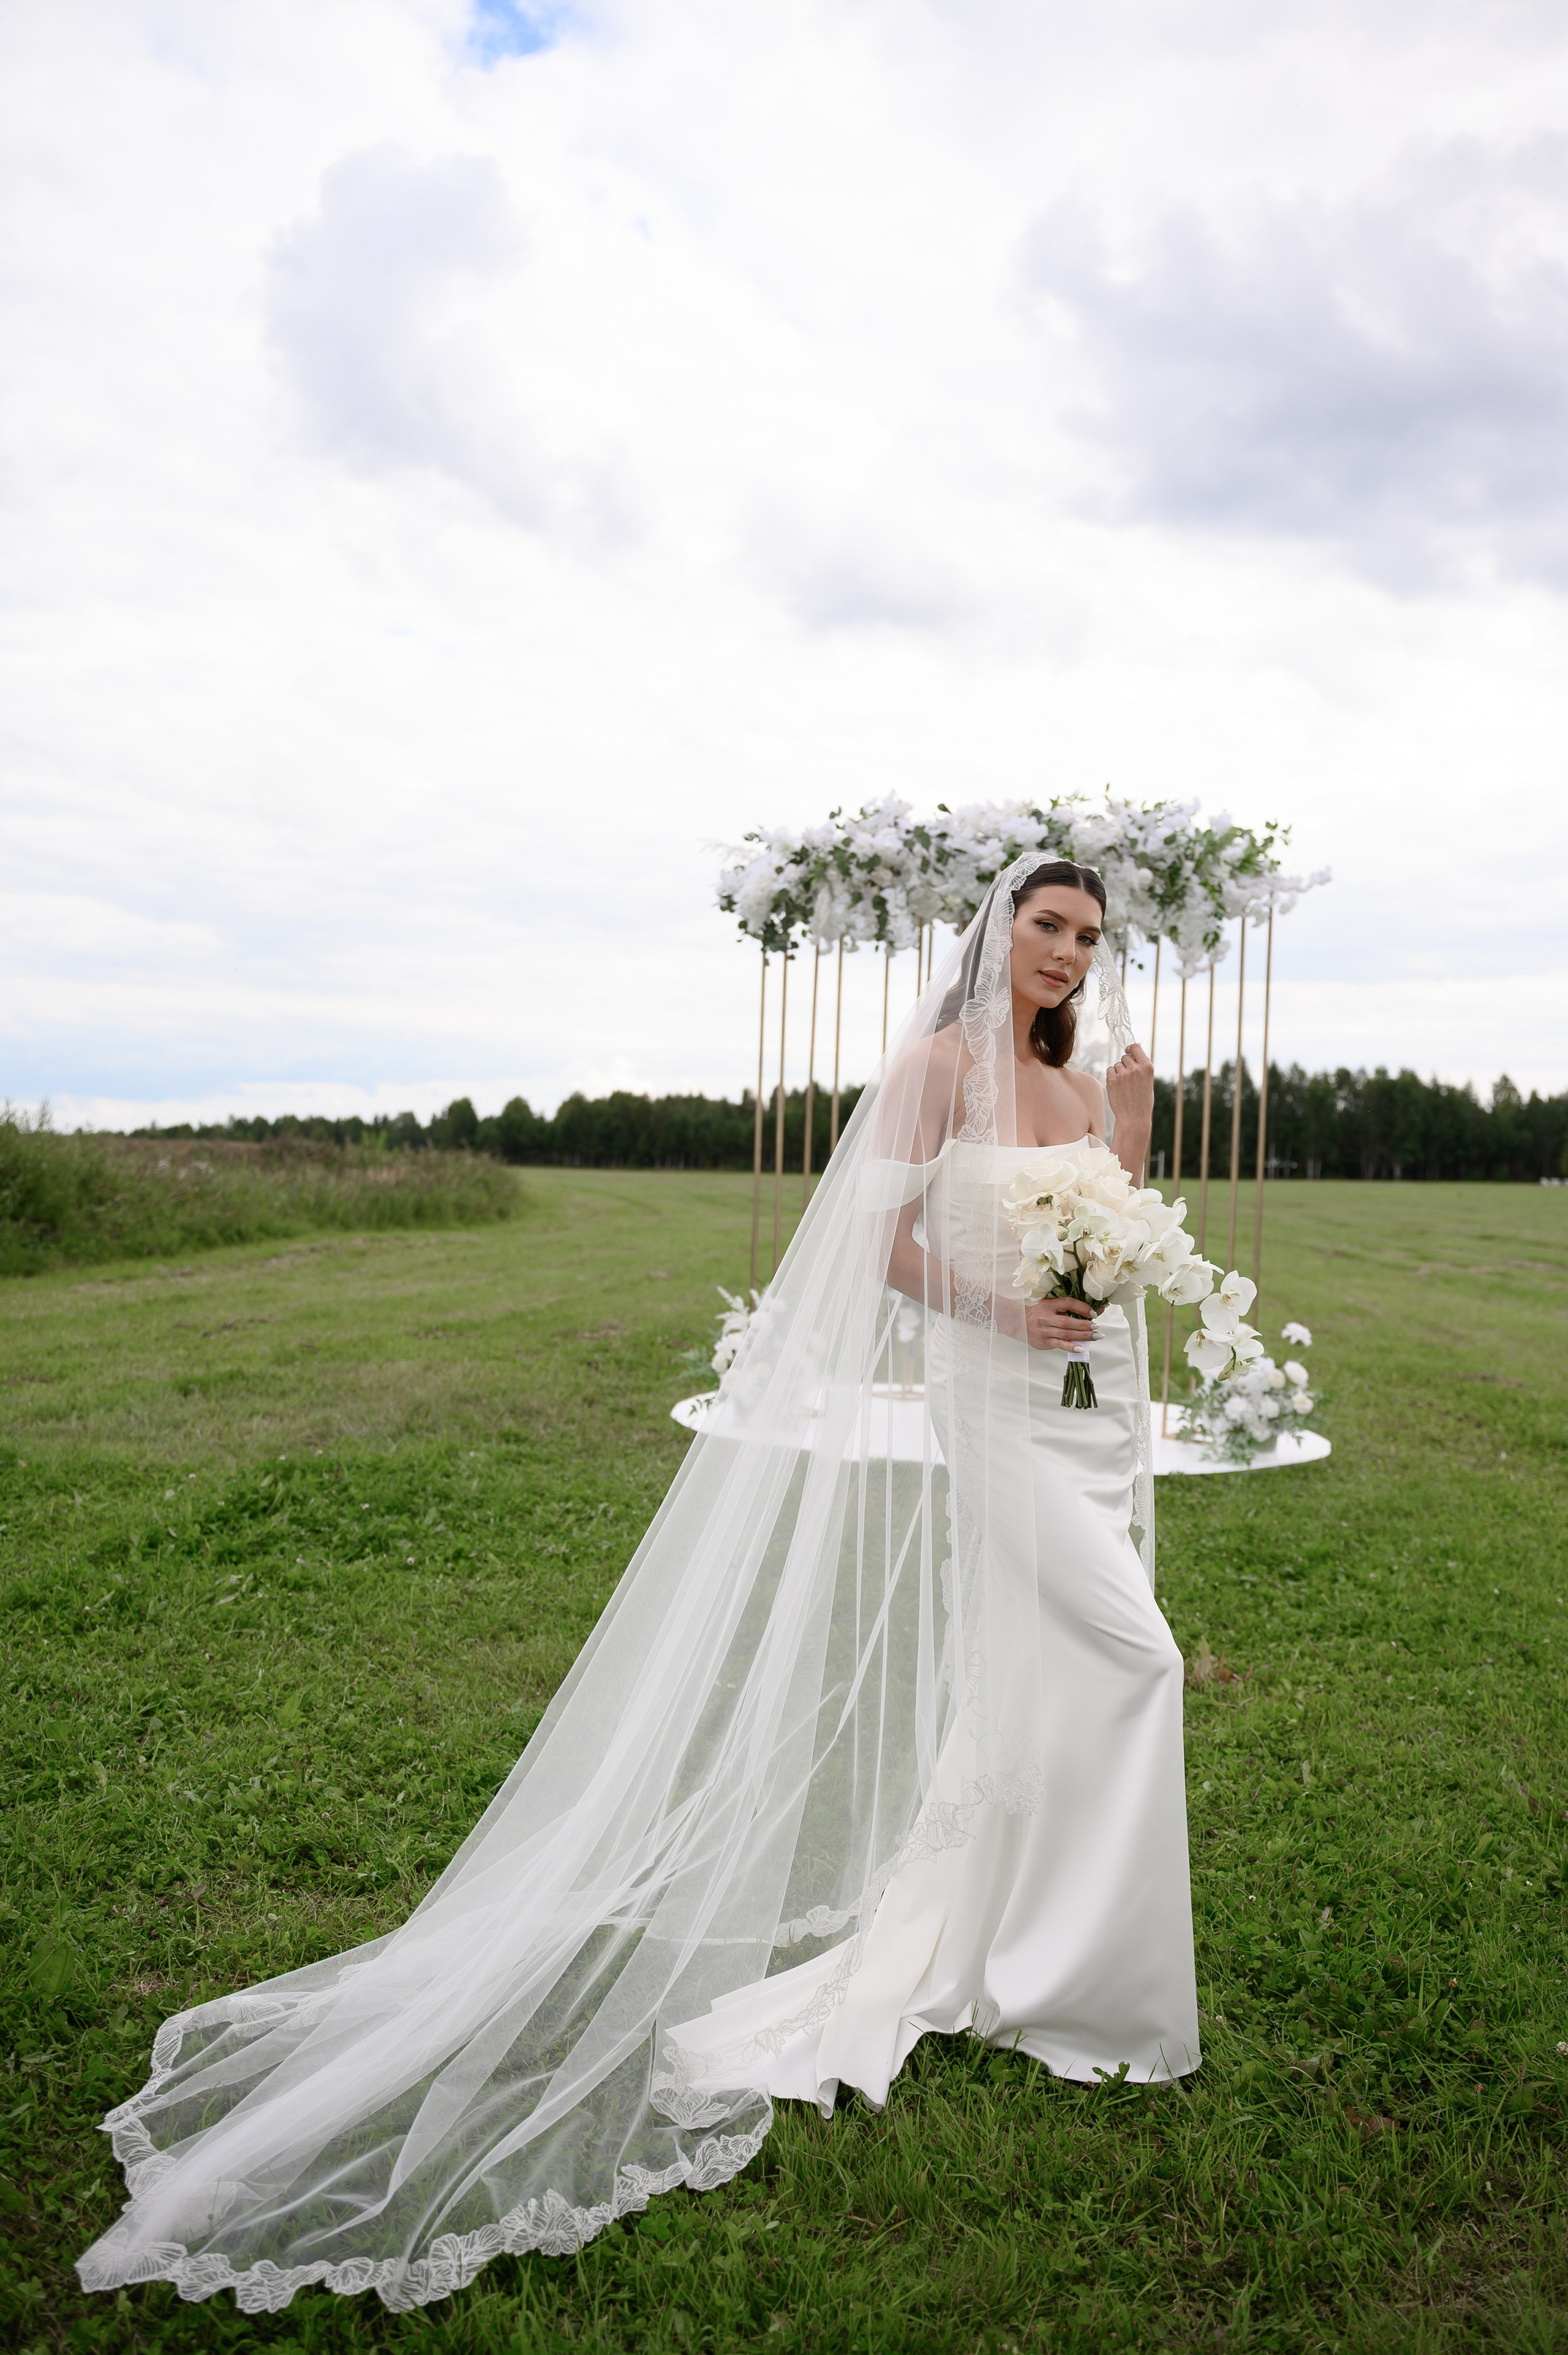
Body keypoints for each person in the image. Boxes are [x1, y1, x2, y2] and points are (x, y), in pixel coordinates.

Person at [79, 856, 1198, 2319]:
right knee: (1139, 1658)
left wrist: (1128, 1131)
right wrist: (1003, 1307)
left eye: (1087, 936)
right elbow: (881, 1246)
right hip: (991, 1400)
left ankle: (1024, 1943)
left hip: (1087, 1408)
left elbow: (1116, 1240)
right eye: (1044, 924)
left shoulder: (1079, 1074)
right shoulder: (938, 1064)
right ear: (998, 930)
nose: (1063, 950)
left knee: (1046, 1674)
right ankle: (1077, 1979)